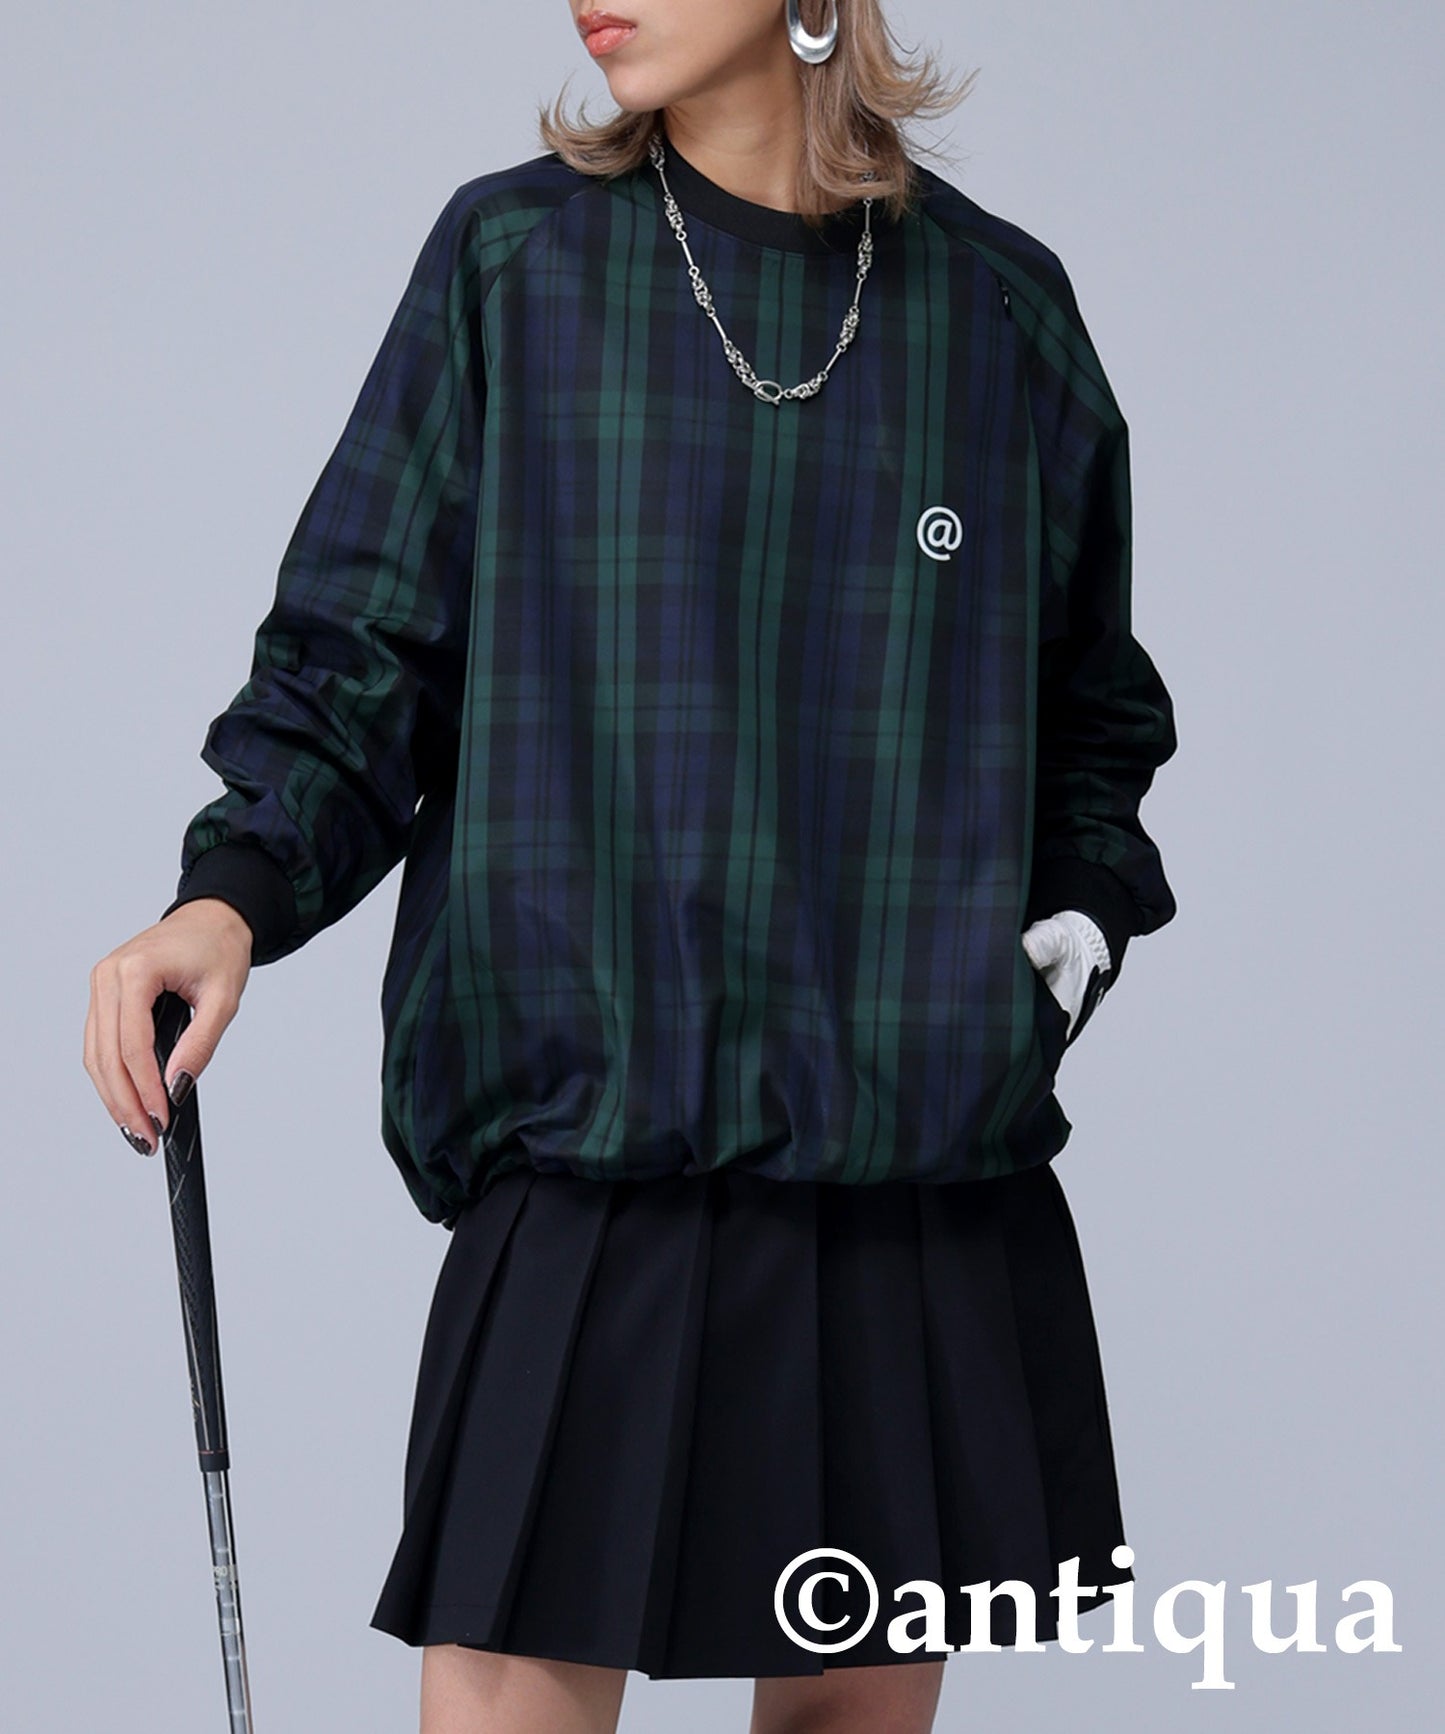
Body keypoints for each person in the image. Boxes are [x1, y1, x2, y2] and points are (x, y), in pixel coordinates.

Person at [83, 3, 1179, 1730]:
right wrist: (228, 897)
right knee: (506, 1683)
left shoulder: (996, 313)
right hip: (589, 1140)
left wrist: (1065, 936)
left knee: (843, 1709)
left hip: (900, 1170)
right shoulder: (514, 267)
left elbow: (1092, 720)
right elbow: (361, 656)